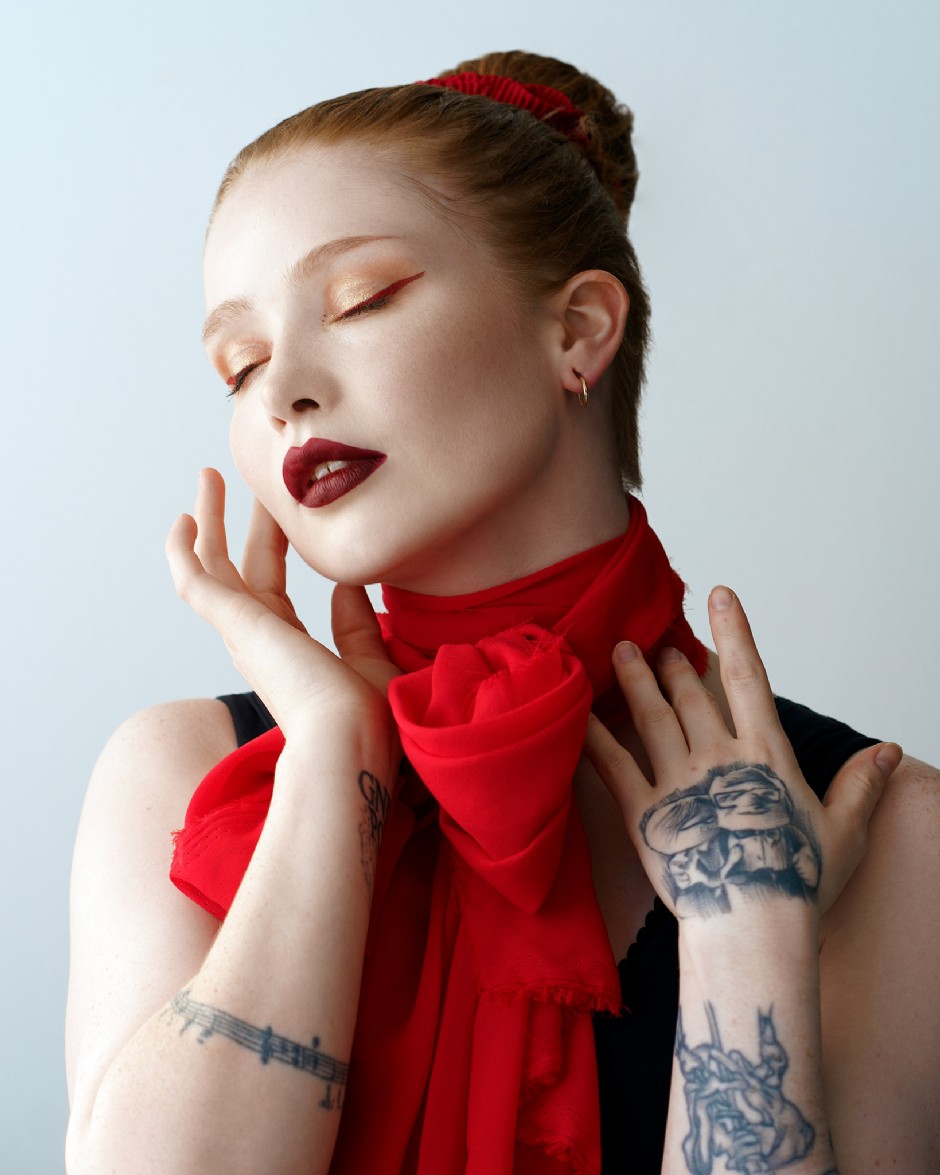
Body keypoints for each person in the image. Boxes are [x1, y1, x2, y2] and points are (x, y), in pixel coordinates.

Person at [64, 51, 940, 1175]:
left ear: (578, 329)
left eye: (361, 301)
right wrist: (334, 759)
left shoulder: (894, 832)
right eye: (239, 365)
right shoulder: (180, 778)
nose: (280, 391)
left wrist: (748, 942)